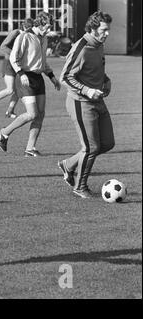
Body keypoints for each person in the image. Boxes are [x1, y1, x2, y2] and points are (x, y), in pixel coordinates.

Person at [58, 11, 114, 199]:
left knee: (106, 143)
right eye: (104, 30)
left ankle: (68, 165)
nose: (107, 34)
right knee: (91, 147)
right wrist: (87, 90)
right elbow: (65, 77)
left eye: (108, 30)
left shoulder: (99, 45)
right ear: (93, 28)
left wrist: (106, 81)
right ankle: (79, 187)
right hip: (80, 102)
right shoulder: (81, 47)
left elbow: (97, 68)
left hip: (98, 101)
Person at [0, 12, 61, 157]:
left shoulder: (43, 38)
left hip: (38, 78)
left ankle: (30, 148)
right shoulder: (24, 36)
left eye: (50, 27)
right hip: (25, 78)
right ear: (39, 23)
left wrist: (52, 77)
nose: (48, 30)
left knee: (40, 114)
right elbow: (14, 57)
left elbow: (43, 61)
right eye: (47, 27)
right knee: (32, 114)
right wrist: (21, 73)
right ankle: (4, 132)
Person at [0, 18, 34, 119]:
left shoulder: (28, 36)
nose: (30, 31)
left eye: (31, 29)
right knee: (10, 89)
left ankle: (9, 111)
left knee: (18, 90)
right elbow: (2, 46)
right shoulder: (15, 33)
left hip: (18, 64)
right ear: (24, 26)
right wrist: (14, 54)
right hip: (8, 63)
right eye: (28, 29)